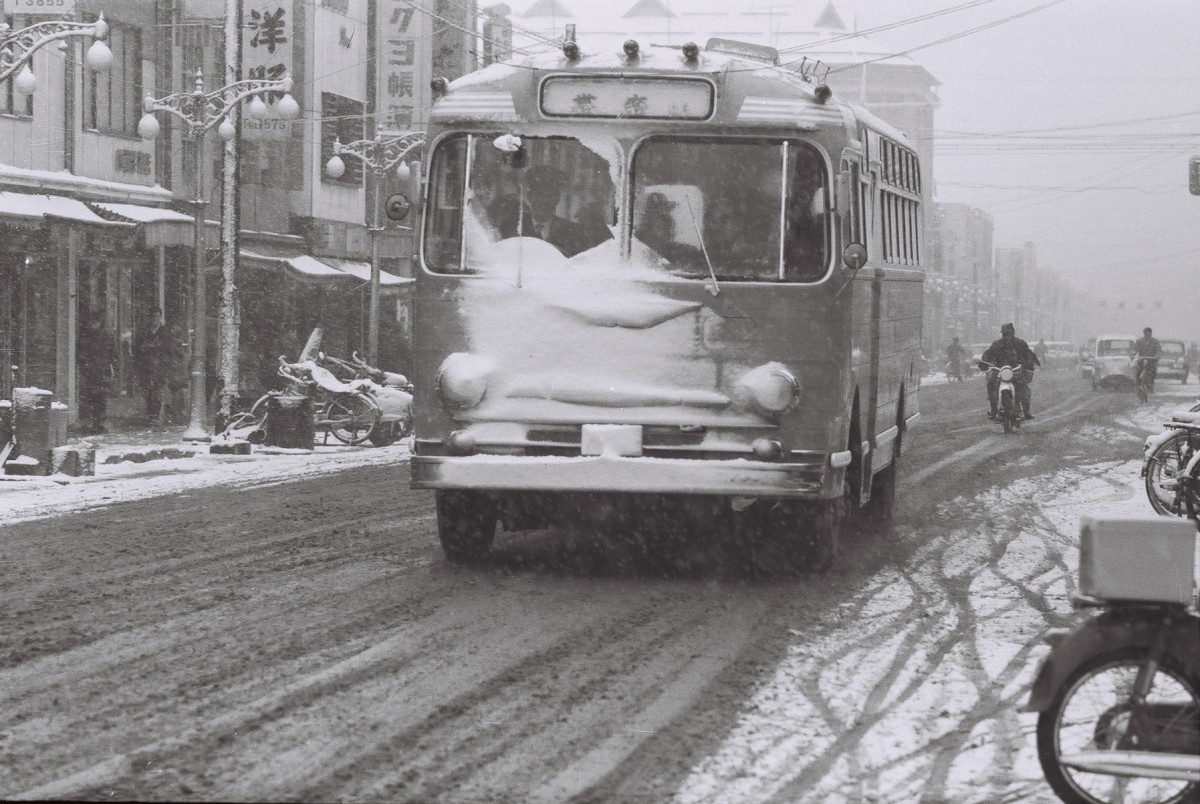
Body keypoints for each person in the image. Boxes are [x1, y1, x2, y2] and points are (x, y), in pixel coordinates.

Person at [524, 165, 603, 257]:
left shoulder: (574, 233)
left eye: (550, 196)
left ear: (557, 199)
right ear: (529, 196)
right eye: (540, 195)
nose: (544, 201)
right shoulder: (514, 228)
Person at [978, 323, 1040, 420]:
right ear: (1002, 334)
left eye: (1009, 333)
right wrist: (983, 363)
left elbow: (1028, 354)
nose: (1007, 336)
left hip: (1017, 370)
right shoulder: (996, 345)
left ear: (1013, 333)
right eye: (1005, 334)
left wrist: (1029, 363)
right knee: (991, 384)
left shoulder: (1020, 343)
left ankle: (1026, 411)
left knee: (1024, 388)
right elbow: (988, 354)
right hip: (999, 371)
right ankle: (994, 410)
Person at [133, 307, 178, 424]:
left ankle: (154, 416)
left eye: (157, 316)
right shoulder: (143, 332)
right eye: (152, 317)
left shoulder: (166, 332)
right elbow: (136, 349)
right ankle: (149, 414)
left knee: (157, 391)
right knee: (147, 391)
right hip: (146, 366)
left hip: (160, 367)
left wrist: (160, 352)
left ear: (160, 317)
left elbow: (170, 349)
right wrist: (143, 350)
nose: (154, 319)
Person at [76, 310, 114, 433]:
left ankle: (100, 421)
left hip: (102, 371)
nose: (93, 324)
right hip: (90, 371)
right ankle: (95, 420)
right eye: (91, 322)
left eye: (95, 322)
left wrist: (111, 366)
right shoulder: (85, 336)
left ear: (99, 323)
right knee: (92, 397)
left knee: (101, 397)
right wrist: (84, 364)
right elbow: (79, 353)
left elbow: (113, 353)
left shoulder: (106, 336)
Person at [1133, 326, 1161, 393]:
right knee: (1138, 371)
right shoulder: (1139, 341)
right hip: (1141, 359)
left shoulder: (1155, 341)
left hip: (1152, 360)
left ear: (1151, 333)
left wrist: (1157, 356)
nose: (1147, 335)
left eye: (1148, 333)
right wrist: (1136, 355)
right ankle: (1138, 385)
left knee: (1153, 371)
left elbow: (1158, 350)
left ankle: (1151, 384)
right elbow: (1136, 350)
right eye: (1145, 333)